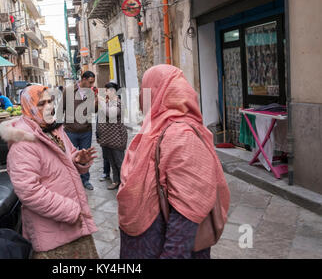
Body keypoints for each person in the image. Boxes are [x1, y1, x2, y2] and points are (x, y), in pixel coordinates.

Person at [117, 65, 230, 259]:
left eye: (145, 89)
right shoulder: (156, 127)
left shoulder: (180, 135)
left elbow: (188, 212)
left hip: (162, 245)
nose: (140, 97)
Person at [0, 85, 99, 258]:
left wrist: (77, 159)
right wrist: (71, 210)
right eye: (41, 103)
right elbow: (29, 191)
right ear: (28, 106)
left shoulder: (54, 129)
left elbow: (67, 155)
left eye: (50, 101)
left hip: (74, 225)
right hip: (54, 233)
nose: (49, 107)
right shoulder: (23, 143)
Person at [61, 71, 98, 190]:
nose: (92, 85)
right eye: (90, 82)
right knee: (69, 157)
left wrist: (96, 102)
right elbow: (61, 108)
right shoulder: (69, 90)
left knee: (85, 157)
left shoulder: (91, 92)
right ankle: (71, 181)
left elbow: (94, 111)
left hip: (86, 131)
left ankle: (85, 180)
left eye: (93, 82)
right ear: (83, 79)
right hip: (70, 130)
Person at [96, 82, 127, 190]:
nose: (105, 92)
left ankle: (125, 183)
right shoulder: (109, 102)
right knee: (112, 162)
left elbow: (110, 114)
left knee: (119, 162)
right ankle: (116, 181)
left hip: (117, 138)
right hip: (108, 139)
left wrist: (101, 101)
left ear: (113, 91)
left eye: (107, 90)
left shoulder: (118, 103)